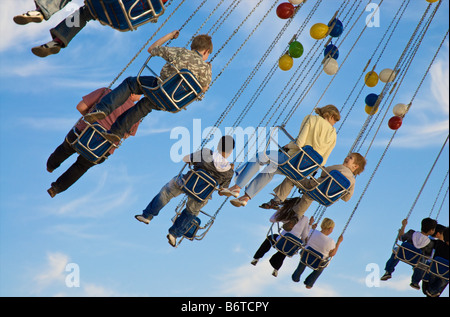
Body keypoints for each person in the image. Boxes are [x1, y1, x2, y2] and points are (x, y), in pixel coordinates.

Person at [84, 30, 213, 143]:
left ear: (193, 46)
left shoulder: (181, 52)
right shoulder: (207, 70)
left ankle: (103, 109)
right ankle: (116, 132)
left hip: (160, 88)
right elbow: (202, 92)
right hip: (174, 102)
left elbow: (152, 49)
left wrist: (170, 36)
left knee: (131, 83)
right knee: (145, 105)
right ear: (206, 51)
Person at [220, 105, 341, 207]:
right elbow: (323, 160)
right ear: (330, 116)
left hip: (291, 160)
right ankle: (245, 197)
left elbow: (299, 143)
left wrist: (288, 146)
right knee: (270, 169)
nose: (333, 124)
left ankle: (237, 186)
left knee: (260, 156)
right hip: (304, 169)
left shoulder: (312, 119)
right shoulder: (333, 135)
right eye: (335, 121)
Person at [134, 135, 235, 247]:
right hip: (201, 196)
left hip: (186, 183)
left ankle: (147, 216)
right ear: (230, 151)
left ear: (218, 145)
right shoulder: (229, 172)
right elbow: (221, 192)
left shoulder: (206, 153)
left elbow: (185, 159)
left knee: (166, 193)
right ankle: (174, 234)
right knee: (192, 212)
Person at [46, 87, 141, 197]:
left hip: (83, 132)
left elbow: (80, 107)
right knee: (81, 167)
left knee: (66, 148)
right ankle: (56, 189)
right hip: (101, 149)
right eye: (140, 94)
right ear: (133, 93)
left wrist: (90, 117)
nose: (140, 98)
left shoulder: (106, 92)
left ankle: (51, 166)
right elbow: (126, 135)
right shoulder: (135, 112)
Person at [284, 152, 366, 219]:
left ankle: (278, 198)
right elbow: (347, 198)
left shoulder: (341, 168)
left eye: (350, 158)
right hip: (328, 198)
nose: (347, 158)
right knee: (309, 196)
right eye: (348, 156)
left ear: (355, 166)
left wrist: (324, 176)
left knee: (294, 177)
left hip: (315, 186)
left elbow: (324, 171)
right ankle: (295, 218)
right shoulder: (352, 181)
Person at [251, 198, 313, 277]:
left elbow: (272, 219)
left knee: (271, 238)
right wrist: (310, 225)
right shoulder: (305, 219)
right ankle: (276, 269)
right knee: (284, 249)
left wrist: (281, 210)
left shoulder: (289, 214)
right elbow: (304, 237)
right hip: (291, 246)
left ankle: (256, 258)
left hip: (281, 240)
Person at [13, 0, 95, 57]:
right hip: (102, 11)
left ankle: (40, 12)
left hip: (101, 7)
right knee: (84, 14)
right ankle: (57, 42)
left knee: (84, 14)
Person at [380, 217, 437, 288]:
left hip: (403, 254)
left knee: (397, 251)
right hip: (416, 260)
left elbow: (400, 238)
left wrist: (403, 225)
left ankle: (388, 271)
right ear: (432, 230)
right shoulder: (430, 243)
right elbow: (426, 257)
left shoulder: (411, 233)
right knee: (423, 264)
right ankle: (415, 282)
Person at [291, 218, 343, 289]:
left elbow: (305, 240)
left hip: (305, 257)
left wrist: (312, 229)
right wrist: (338, 242)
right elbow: (332, 254)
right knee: (323, 264)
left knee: (305, 256)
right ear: (330, 229)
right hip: (317, 263)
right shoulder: (331, 242)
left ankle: (296, 276)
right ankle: (309, 283)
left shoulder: (312, 232)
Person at [425, 227, 449, 297]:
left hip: (433, 271)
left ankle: (431, 291)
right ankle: (432, 291)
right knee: (442, 281)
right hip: (444, 275)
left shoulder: (438, 244)